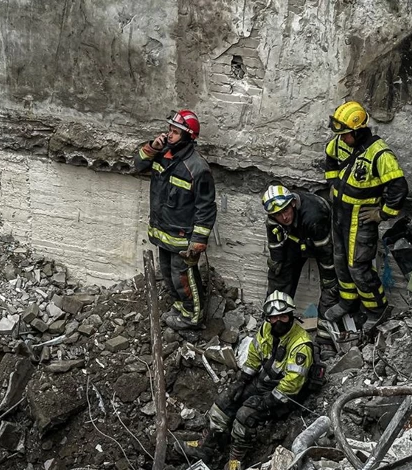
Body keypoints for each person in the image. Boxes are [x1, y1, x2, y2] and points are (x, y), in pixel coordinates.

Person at [176, 291, 321, 470]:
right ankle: (207, 446)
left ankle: (236, 460)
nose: (278, 321)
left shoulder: (301, 345)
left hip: (285, 396)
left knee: (245, 416)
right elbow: (254, 357)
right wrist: (241, 381)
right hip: (264, 382)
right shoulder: (266, 330)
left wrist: (267, 401)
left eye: (283, 316)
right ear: (268, 318)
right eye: (274, 317)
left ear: (291, 315)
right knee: (225, 400)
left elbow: (292, 384)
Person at [322, 101, 408, 329]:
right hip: (339, 214)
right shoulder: (340, 142)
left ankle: (377, 309)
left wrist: (382, 214)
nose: (342, 139)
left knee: (358, 266)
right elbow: (329, 156)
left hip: (360, 218)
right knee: (339, 260)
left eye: (347, 135)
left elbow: (398, 187)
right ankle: (347, 301)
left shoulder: (380, 154)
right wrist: (332, 182)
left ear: (359, 131)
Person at [134, 109, 217, 330]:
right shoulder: (162, 154)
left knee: (184, 279)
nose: (169, 136)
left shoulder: (197, 168)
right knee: (169, 277)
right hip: (163, 232)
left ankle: (193, 318)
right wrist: (152, 147)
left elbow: (206, 207)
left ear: (188, 137)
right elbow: (138, 164)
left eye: (175, 132)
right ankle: (181, 308)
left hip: (182, 238)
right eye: (169, 130)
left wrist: (198, 240)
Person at [261, 184, 338, 315]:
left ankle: (326, 326)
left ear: (293, 203)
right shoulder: (274, 216)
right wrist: (276, 259)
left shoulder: (314, 216)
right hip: (296, 239)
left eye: (285, 211)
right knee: (279, 274)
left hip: (320, 239)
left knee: (331, 287)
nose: (284, 217)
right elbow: (274, 239)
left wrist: (329, 276)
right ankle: (275, 318)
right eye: (278, 214)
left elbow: (326, 251)